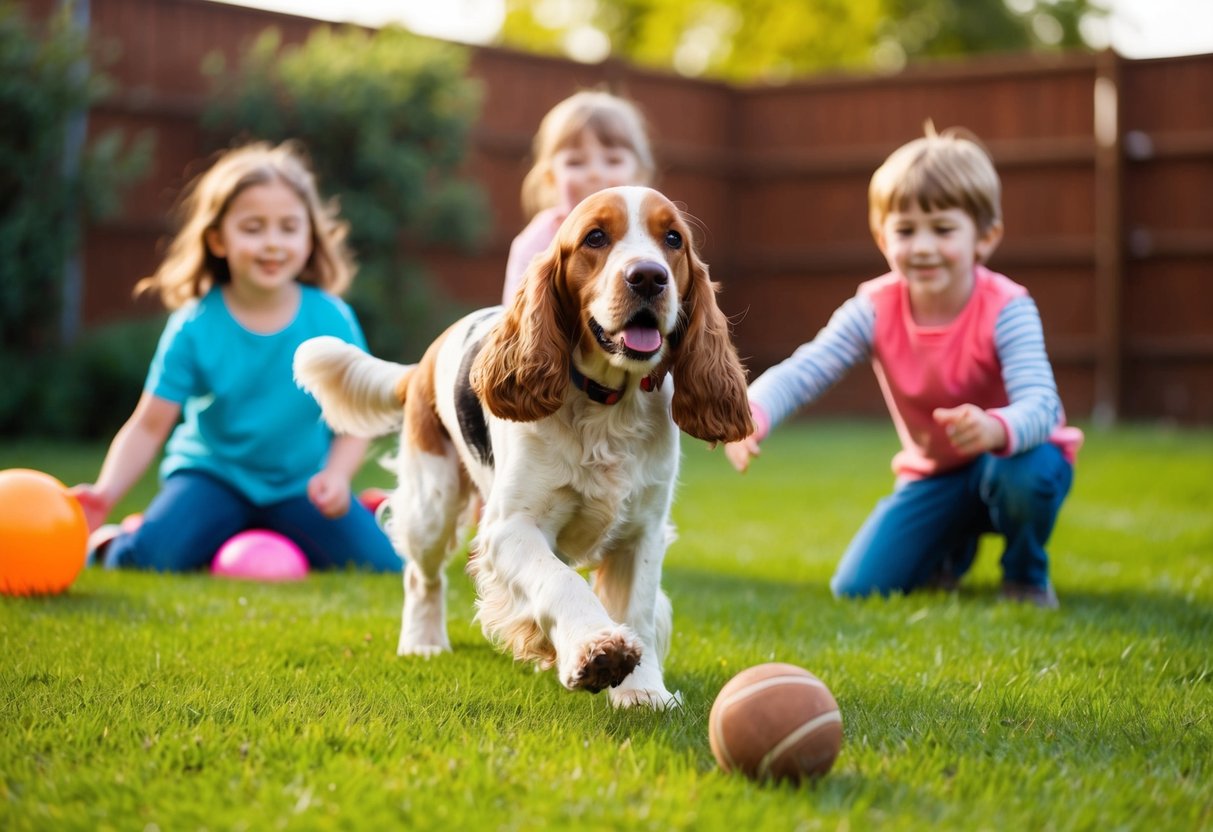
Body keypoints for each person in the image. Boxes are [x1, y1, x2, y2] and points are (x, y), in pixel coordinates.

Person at [725, 124, 1082, 608]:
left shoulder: (1008, 307)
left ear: (985, 236)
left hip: (1015, 459)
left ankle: (1024, 575)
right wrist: (753, 411)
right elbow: (809, 366)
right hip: (936, 475)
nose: (923, 247)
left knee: (1023, 476)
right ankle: (950, 550)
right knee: (857, 588)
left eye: (943, 229)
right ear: (881, 235)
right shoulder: (874, 306)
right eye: (906, 230)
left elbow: (1043, 405)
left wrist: (994, 427)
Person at [72, 141, 401, 573]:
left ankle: (358, 510)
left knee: (383, 564)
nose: (272, 243)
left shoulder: (331, 317)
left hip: (300, 485)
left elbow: (355, 419)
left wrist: (337, 476)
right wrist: (105, 492)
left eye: (288, 227)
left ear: (309, 237)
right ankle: (121, 538)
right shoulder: (195, 325)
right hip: (213, 478)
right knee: (147, 559)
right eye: (253, 227)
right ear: (218, 239)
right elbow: (149, 426)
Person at [502, 89, 656, 304]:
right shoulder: (538, 241)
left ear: (639, 174)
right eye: (575, 162)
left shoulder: (653, 234)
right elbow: (515, 315)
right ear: (551, 178)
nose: (595, 173)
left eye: (613, 161)